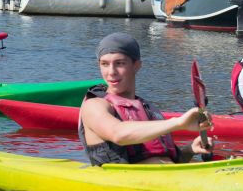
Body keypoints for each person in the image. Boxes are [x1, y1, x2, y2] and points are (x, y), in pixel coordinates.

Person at [79, 32, 212, 165]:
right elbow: (117, 134)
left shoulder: (147, 108)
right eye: (105, 64)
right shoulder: (94, 105)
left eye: (119, 63)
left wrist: (190, 150)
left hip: (165, 174)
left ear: (136, 65)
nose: (111, 72)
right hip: (122, 177)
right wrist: (178, 123)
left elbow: (165, 159)